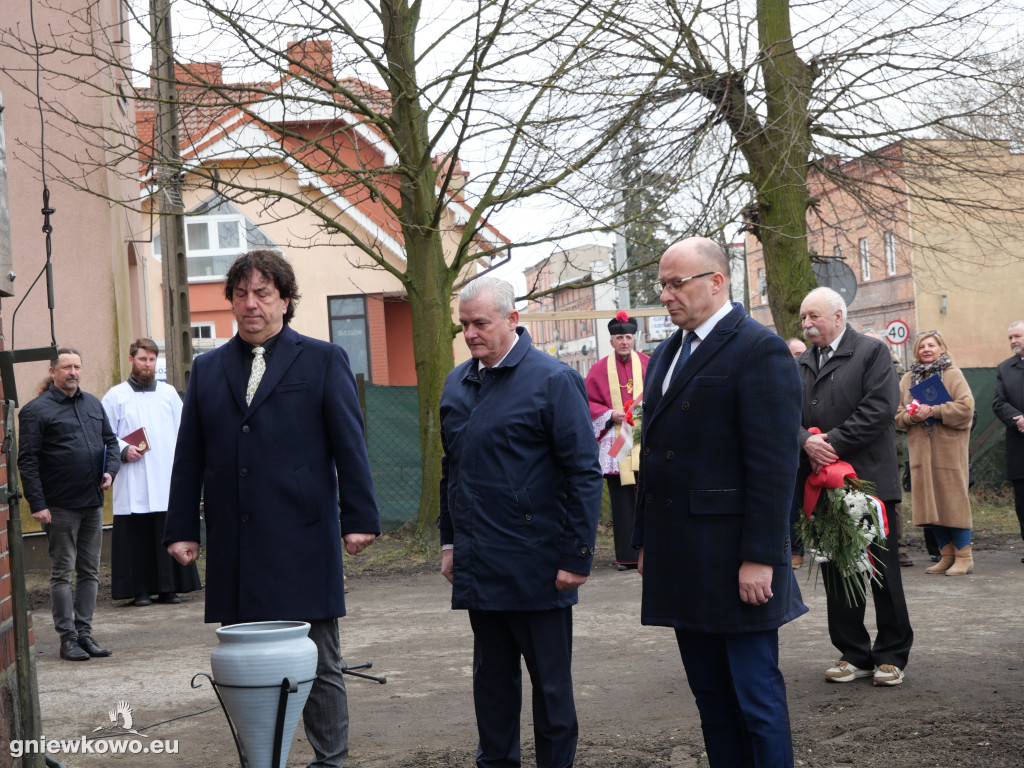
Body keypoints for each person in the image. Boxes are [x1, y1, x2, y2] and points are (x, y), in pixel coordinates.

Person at [164, 250, 381, 768]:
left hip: (303, 534)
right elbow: (188, 454)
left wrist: (360, 519)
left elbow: (350, 445)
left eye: (262, 293)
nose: (250, 304)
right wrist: (180, 527)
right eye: (240, 294)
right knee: (246, 664)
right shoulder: (208, 368)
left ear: (285, 299)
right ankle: (263, 759)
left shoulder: (323, 359)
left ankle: (330, 760)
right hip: (235, 539)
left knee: (320, 659)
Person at [633, 237, 806, 768]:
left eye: (675, 283)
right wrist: (644, 542)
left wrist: (761, 556)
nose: (665, 295)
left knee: (755, 699)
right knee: (710, 699)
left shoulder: (758, 348)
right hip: (682, 556)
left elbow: (774, 466)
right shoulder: (666, 351)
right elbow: (657, 456)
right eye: (661, 285)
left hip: (735, 560)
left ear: (717, 281)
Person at [438, 276, 603, 768]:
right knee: (491, 682)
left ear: (512, 319)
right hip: (479, 561)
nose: (470, 333)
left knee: (551, 687)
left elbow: (583, 471)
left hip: (538, 564)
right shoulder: (457, 383)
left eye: (480, 323)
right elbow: (452, 470)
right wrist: (450, 543)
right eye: (464, 324)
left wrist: (577, 556)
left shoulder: (552, 380)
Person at [796, 287, 914, 687]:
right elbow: (785, 414)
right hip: (824, 482)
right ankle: (854, 653)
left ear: (839, 316)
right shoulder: (802, 363)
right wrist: (803, 442)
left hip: (867, 481)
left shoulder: (871, 352)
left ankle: (892, 655)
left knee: (881, 571)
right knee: (838, 570)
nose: (807, 324)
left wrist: (829, 443)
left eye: (814, 316)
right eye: (803, 319)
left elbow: (879, 407)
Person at [18, 347, 120, 661]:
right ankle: (68, 639)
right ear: (53, 372)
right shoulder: (36, 410)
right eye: (66, 367)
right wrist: (38, 504)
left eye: (77, 366)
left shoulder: (92, 403)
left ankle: (85, 634)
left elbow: (111, 442)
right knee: (62, 573)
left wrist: (110, 470)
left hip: (91, 502)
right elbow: (28, 461)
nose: (72, 372)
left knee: (89, 572)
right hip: (59, 506)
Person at [102, 338, 201, 606]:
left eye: (152, 360)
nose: (147, 364)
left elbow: (185, 430)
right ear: (132, 359)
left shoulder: (168, 394)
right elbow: (105, 434)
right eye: (143, 359)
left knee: (165, 531)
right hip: (132, 477)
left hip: (164, 475)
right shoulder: (116, 396)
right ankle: (140, 590)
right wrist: (124, 450)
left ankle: (170, 588)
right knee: (137, 535)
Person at [894, 331, 976, 575]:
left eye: (932, 345)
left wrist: (934, 410)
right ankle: (946, 555)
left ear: (942, 348)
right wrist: (912, 416)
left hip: (949, 451)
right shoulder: (907, 378)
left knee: (953, 502)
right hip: (921, 452)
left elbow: (965, 409)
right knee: (930, 505)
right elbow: (897, 415)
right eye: (921, 346)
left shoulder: (953, 374)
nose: (926, 350)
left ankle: (964, 556)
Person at [584, 311, 650, 570]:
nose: (624, 341)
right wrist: (612, 414)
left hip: (645, 440)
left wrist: (642, 409)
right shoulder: (599, 369)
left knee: (647, 497)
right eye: (619, 337)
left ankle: (650, 553)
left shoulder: (648, 363)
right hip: (617, 441)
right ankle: (626, 555)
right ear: (611, 341)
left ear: (635, 339)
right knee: (622, 501)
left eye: (629, 337)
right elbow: (587, 401)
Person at [862, 328, 920, 567]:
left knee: (891, 500)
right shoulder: (857, 368)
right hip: (861, 444)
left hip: (890, 444)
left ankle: (898, 547)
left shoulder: (897, 372)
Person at [993, 320, 1024, 564]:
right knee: (1023, 502)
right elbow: (998, 403)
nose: (1013, 341)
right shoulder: (1004, 369)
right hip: (1019, 444)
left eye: (1018, 336)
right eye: (1010, 337)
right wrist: (1019, 420)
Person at [786, 337, 807, 569]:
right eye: (795, 353)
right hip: (791, 448)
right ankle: (795, 550)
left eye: (802, 352)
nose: (799, 358)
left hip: (812, 444)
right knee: (791, 505)